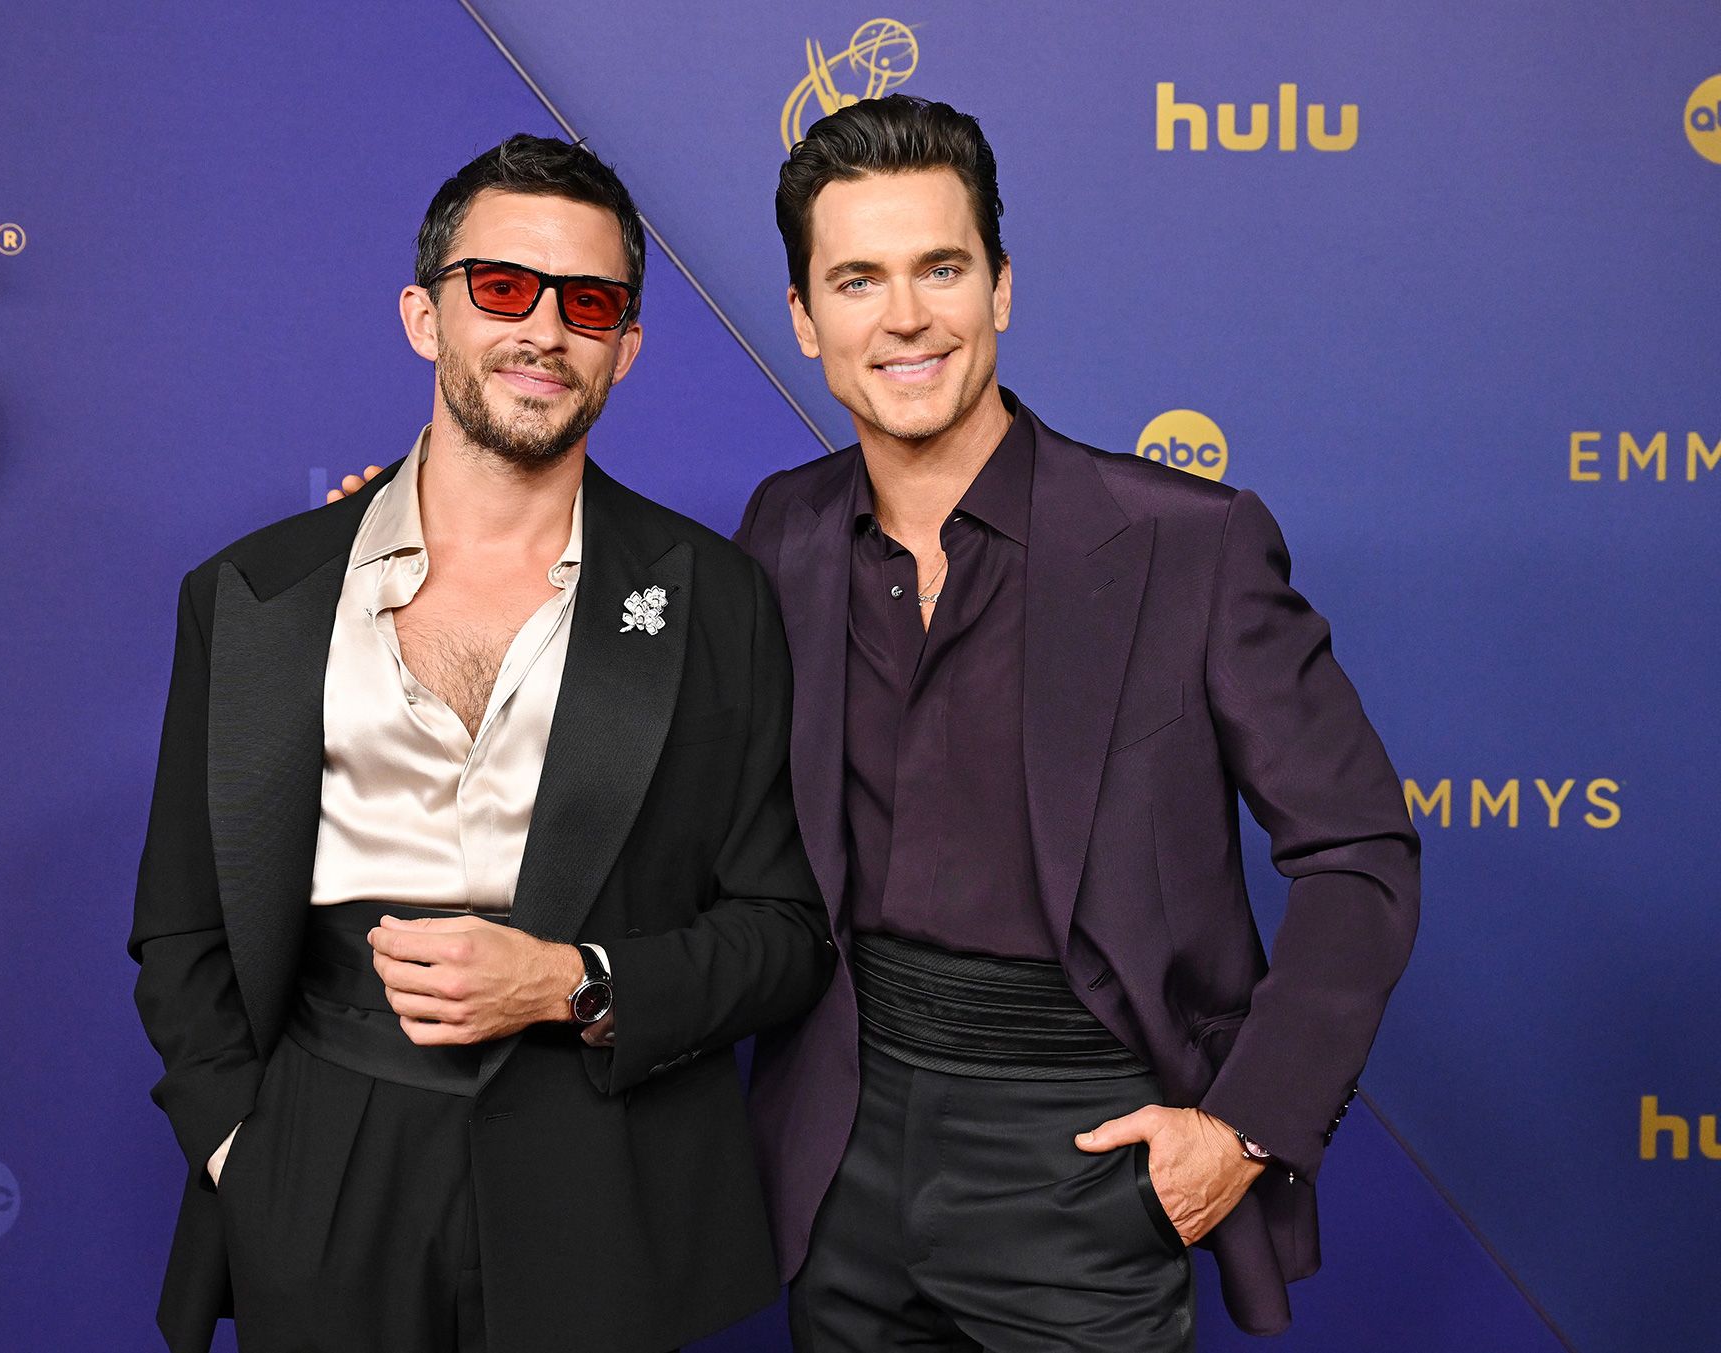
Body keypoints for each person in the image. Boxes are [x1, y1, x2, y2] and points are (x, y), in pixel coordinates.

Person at [329, 97, 1420, 1351]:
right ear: (803, 320)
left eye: (938, 269)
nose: (902, 318)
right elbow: (626, 733)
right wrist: (446, 547)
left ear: (998, 289)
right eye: (855, 280)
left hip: (1085, 1151)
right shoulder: (775, 537)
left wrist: (1241, 1128)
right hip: (833, 1141)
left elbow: (1359, 856)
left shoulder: (1190, 545)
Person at [130, 133, 831, 1353]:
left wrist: (571, 981)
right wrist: (248, 1149)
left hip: (604, 1170)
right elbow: (183, 920)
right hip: (325, 1161)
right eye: (502, 287)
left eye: (590, 303)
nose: (542, 331)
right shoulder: (252, 594)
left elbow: (781, 935)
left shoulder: (716, 599)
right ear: (424, 315)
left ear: (626, 349)